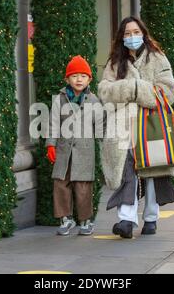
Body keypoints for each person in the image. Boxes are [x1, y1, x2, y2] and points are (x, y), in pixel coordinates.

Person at [98, 16, 174, 238]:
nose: (131, 37)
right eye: (127, 33)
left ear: (143, 33)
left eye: (135, 32)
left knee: (152, 170)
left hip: (151, 124)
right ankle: (126, 218)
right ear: (121, 37)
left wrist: (137, 90)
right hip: (123, 125)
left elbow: (169, 91)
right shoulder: (115, 62)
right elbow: (104, 91)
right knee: (127, 168)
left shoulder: (158, 58)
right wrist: (129, 88)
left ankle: (151, 217)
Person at [46, 55, 103, 236]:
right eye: (74, 76)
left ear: (89, 79)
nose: (79, 79)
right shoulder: (60, 100)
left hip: (85, 152)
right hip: (64, 150)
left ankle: (85, 220)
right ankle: (65, 218)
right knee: (61, 184)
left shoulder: (93, 101)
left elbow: (100, 125)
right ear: (67, 79)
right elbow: (53, 123)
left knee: (83, 186)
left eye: (83, 76)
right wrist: (50, 145)